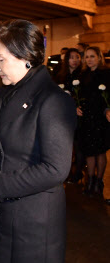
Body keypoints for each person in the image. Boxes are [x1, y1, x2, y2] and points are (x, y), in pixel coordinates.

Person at [0, 19, 76, 263]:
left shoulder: (53, 100)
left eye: (0, 59)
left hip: (31, 223)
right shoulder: (6, 92)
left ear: (25, 55)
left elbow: (55, 169)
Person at [76, 46, 110, 196]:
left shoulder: (107, 73)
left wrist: (108, 109)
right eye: (87, 57)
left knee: (100, 151)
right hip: (86, 117)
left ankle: (99, 181)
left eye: (92, 56)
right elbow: (77, 95)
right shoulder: (83, 75)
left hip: (101, 118)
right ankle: (90, 181)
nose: (89, 59)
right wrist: (75, 106)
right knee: (89, 151)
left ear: (99, 57)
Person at [54, 48, 83, 184]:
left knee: (78, 146)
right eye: (71, 57)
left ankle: (77, 173)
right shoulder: (60, 75)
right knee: (65, 146)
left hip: (79, 115)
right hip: (62, 115)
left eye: (77, 57)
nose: (74, 60)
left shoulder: (83, 75)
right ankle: (65, 172)